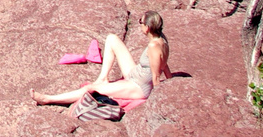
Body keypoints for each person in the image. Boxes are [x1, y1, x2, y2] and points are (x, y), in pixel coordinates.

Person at [32, 11, 170, 106]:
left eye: (141, 22)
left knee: (90, 89)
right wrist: (171, 80)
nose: (139, 24)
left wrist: (158, 101)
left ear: (147, 28)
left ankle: (48, 99)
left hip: (138, 86)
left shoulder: (153, 46)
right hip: (136, 74)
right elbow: (163, 64)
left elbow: (156, 76)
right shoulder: (162, 40)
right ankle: (103, 77)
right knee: (112, 39)